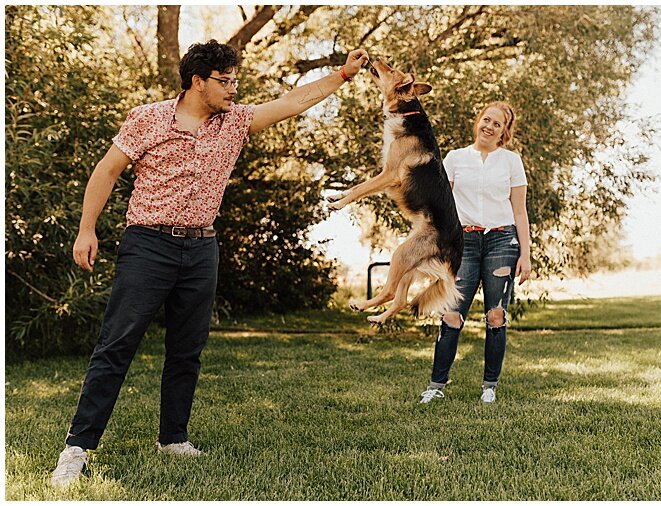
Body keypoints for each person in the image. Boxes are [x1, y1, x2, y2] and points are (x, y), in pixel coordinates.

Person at [51, 40, 370, 487]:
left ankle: (173, 438)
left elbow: (293, 102)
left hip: (201, 249)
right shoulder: (148, 118)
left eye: (235, 80)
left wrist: (343, 75)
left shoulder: (234, 122)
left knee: (188, 348)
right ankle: (77, 447)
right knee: (116, 345)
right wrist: (88, 228)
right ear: (197, 81)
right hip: (148, 243)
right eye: (225, 81)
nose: (233, 89)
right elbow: (106, 171)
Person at [418, 101, 533, 404]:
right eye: (486, 119)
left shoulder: (511, 161)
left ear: (504, 132)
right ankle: (436, 386)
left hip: (501, 242)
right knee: (452, 315)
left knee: (496, 316)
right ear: (478, 121)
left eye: (497, 124)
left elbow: (520, 212)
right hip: (464, 243)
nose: (489, 126)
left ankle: (490, 386)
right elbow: (442, 208)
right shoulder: (456, 158)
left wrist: (526, 254)